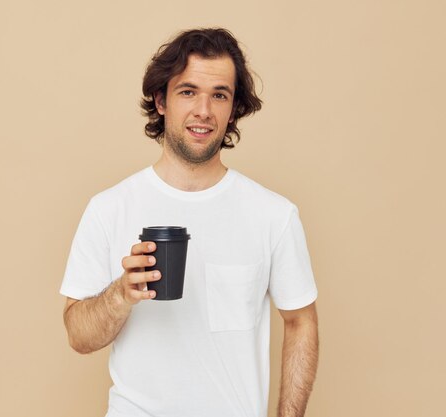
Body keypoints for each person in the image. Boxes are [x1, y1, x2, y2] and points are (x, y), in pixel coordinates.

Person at [61, 28, 319, 417]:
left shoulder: (273, 214)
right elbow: (78, 337)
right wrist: (122, 294)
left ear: (233, 109)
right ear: (161, 101)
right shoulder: (109, 208)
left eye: (219, 95)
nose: (204, 110)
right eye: (188, 91)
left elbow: (301, 321)